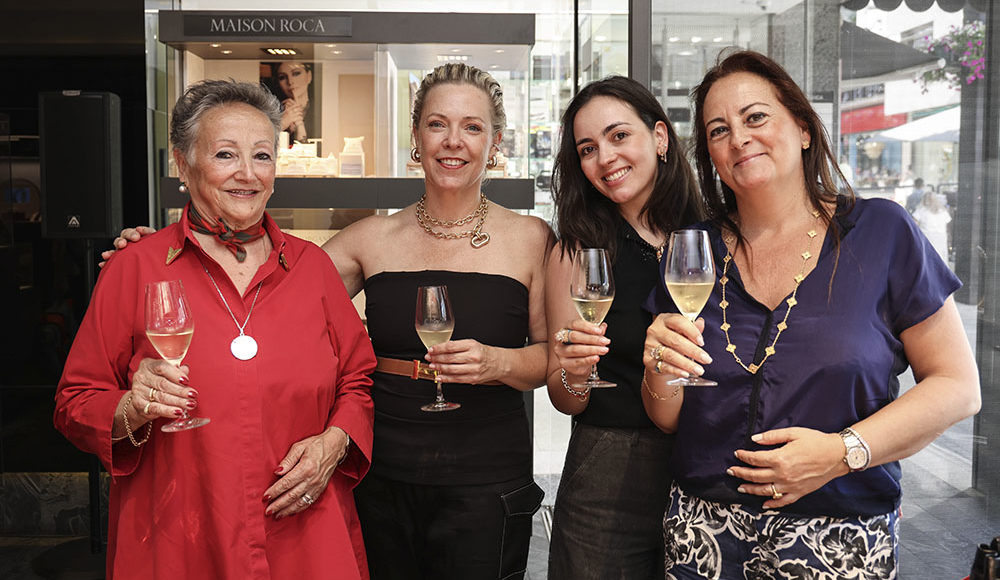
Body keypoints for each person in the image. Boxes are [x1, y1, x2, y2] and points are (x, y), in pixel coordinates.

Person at [641, 50, 980, 579]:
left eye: (755, 117)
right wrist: (658, 370)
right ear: (710, 155)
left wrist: (841, 452)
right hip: (701, 532)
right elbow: (667, 417)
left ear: (803, 127)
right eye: (718, 130)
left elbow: (958, 386)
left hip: (839, 535)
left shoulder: (882, 231)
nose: (739, 138)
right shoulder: (694, 253)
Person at [56, 80, 375, 578]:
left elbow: (358, 379)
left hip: (305, 538)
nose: (247, 173)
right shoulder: (135, 267)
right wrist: (131, 408)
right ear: (183, 165)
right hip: (180, 541)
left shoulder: (311, 268)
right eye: (225, 154)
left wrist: (334, 443)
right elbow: (75, 401)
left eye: (262, 156)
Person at [544, 76, 704, 579]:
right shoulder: (577, 251)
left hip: (711, 459)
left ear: (659, 136)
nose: (605, 158)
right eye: (587, 149)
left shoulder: (714, 235)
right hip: (609, 467)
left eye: (618, 136)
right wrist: (572, 372)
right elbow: (564, 396)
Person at [273, 61, 315, 143]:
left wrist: (299, 124)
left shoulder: (322, 109)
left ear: (309, 76)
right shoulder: (274, 112)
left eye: (296, 73)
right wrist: (282, 124)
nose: (290, 81)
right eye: (282, 77)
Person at [912, 189, 951, 263]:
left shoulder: (921, 210)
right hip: (941, 239)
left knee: (926, 260)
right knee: (940, 258)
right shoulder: (943, 212)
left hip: (926, 239)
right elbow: (947, 226)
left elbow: (913, 226)